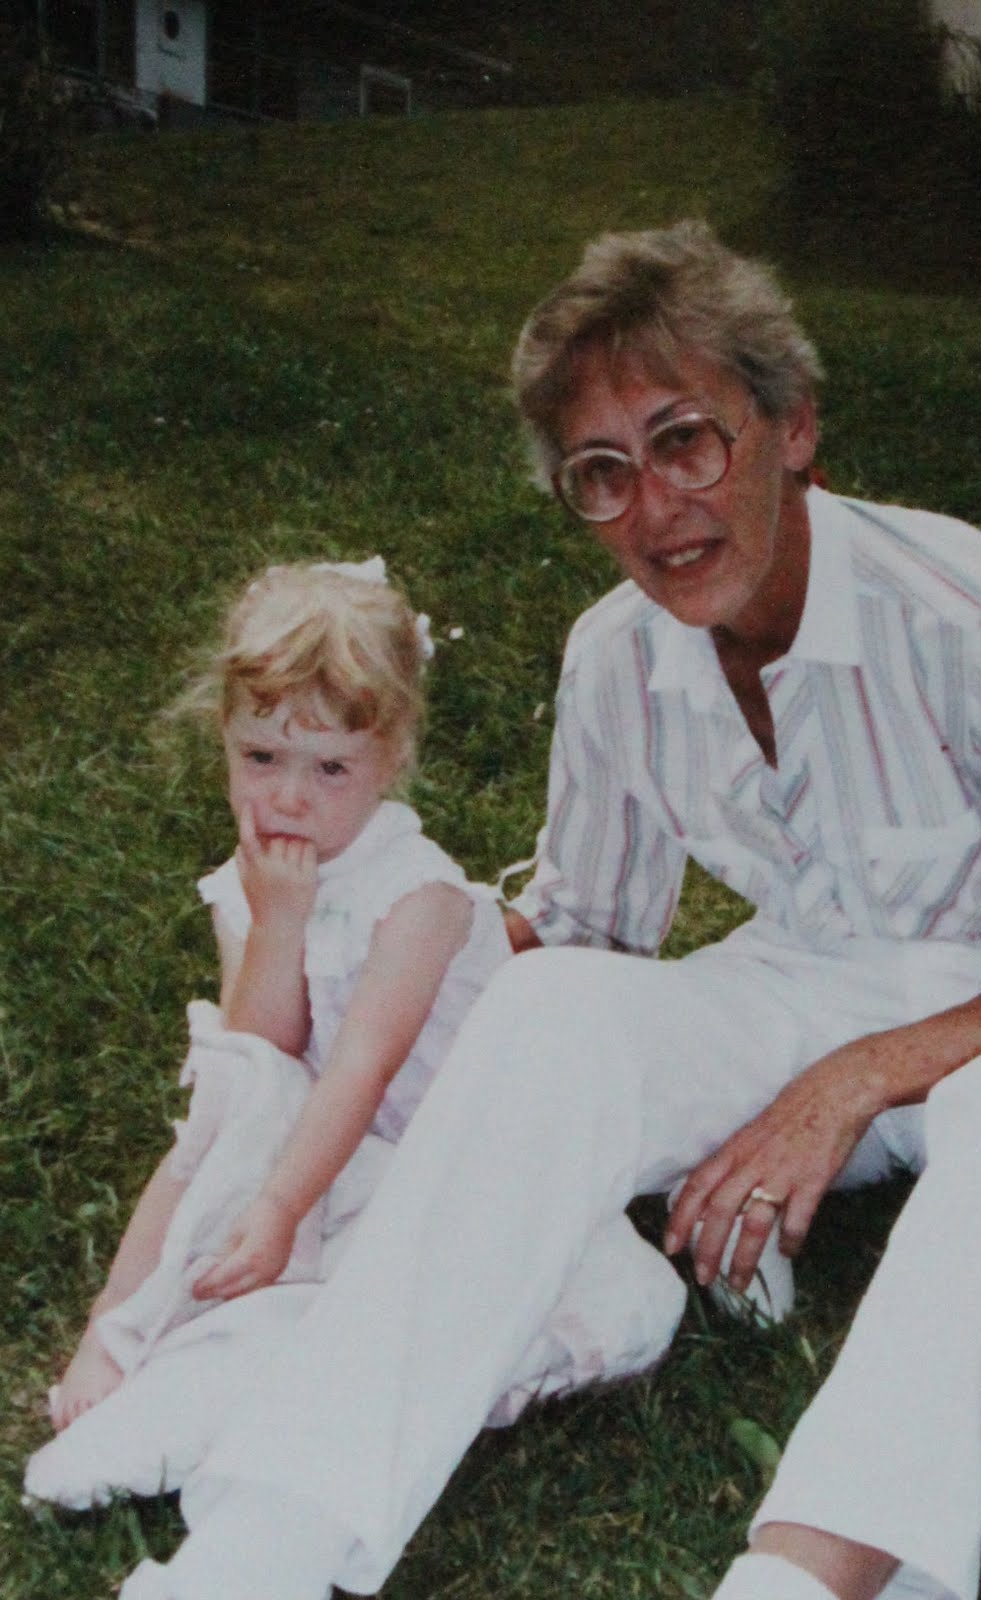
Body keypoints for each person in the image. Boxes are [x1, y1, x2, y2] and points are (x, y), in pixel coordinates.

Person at [75, 221, 981, 1600]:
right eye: (603, 473)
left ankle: (813, 1574)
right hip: (797, 978)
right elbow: (584, 925)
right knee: (558, 1005)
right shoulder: (616, 658)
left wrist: (849, 1084)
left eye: (687, 441)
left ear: (793, 427)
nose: (657, 508)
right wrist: (371, 978)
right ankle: (268, 1536)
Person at [27, 554, 683, 1508]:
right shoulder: (256, 879)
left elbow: (364, 1069)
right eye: (261, 758)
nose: (289, 797)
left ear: (389, 758)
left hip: (451, 1148)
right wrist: (278, 921)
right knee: (215, 1125)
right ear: (224, 739)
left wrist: (280, 1205)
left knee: (579, 1294)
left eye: (330, 768)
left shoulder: (419, 897)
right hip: (328, 1142)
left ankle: (342, 1369)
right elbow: (264, 1054)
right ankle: (116, 1328)